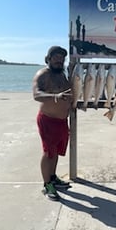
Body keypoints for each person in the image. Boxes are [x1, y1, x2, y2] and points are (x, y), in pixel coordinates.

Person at [33, 46, 72, 201]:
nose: (59, 60)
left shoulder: (63, 75)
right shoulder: (43, 74)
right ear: (48, 59)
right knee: (48, 153)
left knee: (55, 152)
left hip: (62, 121)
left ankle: (53, 177)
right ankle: (47, 184)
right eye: (55, 57)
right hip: (47, 120)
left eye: (61, 58)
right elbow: (36, 94)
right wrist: (56, 96)